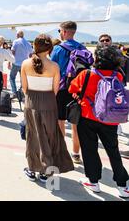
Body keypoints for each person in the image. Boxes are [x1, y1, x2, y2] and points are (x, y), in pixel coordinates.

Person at [68, 46, 129, 198]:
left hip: (87, 117)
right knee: (113, 151)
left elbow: (72, 89)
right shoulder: (118, 76)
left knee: (89, 150)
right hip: (109, 119)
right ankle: (122, 185)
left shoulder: (86, 74)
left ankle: (94, 182)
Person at [21, 34, 74, 182]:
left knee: (32, 136)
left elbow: (24, 88)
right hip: (49, 102)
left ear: (34, 46)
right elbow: (55, 89)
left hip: (31, 102)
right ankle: (46, 171)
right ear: (50, 48)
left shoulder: (26, 63)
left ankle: (32, 168)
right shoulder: (54, 66)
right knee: (49, 135)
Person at [50, 21, 88, 164]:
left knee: (60, 122)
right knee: (75, 123)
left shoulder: (58, 49)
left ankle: (61, 152)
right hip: (78, 90)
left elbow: (53, 69)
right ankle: (76, 154)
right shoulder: (82, 48)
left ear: (64, 32)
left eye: (59, 30)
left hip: (62, 89)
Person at [10, 30, 33, 98]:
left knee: (12, 77)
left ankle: (14, 92)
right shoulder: (28, 43)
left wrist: (14, 57)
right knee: (22, 78)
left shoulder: (16, 41)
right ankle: (21, 91)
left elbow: (13, 51)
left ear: (17, 35)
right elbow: (31, 54)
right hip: (24, 63)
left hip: (16, 62)